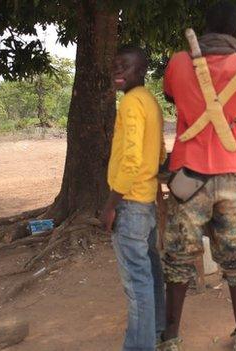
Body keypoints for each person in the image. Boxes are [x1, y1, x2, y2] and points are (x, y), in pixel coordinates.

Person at [158, 1, 236, 350]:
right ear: (235, 32)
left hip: (188, 174)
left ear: (206, 27)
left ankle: (172, 337)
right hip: (232, 173)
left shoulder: (178, 61)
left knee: (178, 257)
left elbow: (171, 94)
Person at [99, 45, 165, 351]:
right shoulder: (150, 102)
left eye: (125, 66)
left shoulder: (129, 104)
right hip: (147, 202)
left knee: (137, 283)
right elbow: (160, 152)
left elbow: (131, 158)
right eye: (115, 66)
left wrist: (111, 205)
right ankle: (156, 331)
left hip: (129, 204)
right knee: (150, 273)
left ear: (141, 71)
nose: (118, 72)